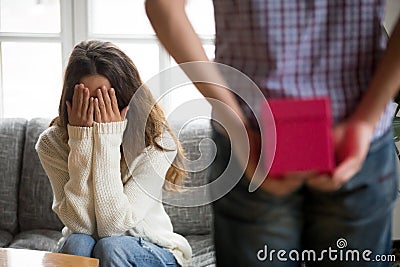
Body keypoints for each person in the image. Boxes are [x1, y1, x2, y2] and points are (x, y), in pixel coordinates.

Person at [145, 0, 400, 266]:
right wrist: (365, 121)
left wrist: (238, 126)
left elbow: (163, 7)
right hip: (352, 132)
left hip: (250, 134)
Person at [35, 40, 192, 267]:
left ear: (127, 98)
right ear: (71, 101)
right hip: (91, 243)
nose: (98, 110)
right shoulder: (51, 144)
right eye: (88, 101)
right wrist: (82, 140)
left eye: (107, 100)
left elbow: (113, 226)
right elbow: (81, 226)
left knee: (110, 246)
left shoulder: (157, 142)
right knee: (77, 243)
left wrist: (108, 137)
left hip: (152, 247)